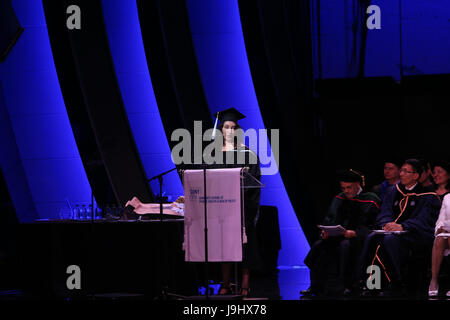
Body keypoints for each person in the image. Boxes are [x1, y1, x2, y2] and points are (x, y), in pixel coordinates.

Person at [358, 159, 441, 295]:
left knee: (389, 241)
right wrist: (386, 224)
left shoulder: (427, 195)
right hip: (391, 232)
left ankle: (395, 282)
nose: (401, 174)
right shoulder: (393, 191)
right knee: (372, 239)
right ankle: (372, 285)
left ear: (416, 175)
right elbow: (384, 212)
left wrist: (403, 226)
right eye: (401, 170)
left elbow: (425, 220)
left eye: (405, 171)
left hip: (413, 235)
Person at [301, 169, 380, 296]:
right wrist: (326, 231)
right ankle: (316, 286)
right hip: (338, 236)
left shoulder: (370, 199)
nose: (346, 191)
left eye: (349, 187)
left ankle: (346, 285)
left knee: (345, 246)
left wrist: (356, 232)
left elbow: (373, 225)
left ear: (358, 185)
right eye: (343, 188)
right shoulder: (339, 198)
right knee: (319, 245)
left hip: (358, 238)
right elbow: (330, 218)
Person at [211, 107, 262, 297]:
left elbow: (254, 183)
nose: (229, 130)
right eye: (226, 127)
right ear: (221, 130)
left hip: (242, 208)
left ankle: (245, 283)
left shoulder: (248, 154)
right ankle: (225, 283)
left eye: (233, 127)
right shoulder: (213, 155)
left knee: (245, 247)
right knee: (223, 246)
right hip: (220, 208)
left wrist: (244, 204)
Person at [428, 193, 450, 297]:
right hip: (448, 232)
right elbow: (440, 220)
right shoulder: (447, 197)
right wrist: (440, 228)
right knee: (440, 238)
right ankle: (434, 279)